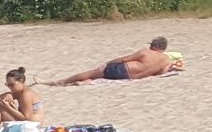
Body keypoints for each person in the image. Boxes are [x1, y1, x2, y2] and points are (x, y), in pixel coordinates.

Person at [47, 37, 182, 85]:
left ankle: (63, 82)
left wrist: (108, 63)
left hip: (124, 70)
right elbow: (161, 73)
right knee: (99, 76)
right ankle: (84, 83)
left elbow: (124, 59)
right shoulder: (166, 60)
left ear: (154, 46)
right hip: (132, 77)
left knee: (94, 72)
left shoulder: (145, 52)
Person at [0, 67, 47, 132]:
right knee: (0, 107)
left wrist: (8, 107)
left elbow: (26, 117)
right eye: (7, 85)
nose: (10, 87)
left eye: (12, 84)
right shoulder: (19, 91)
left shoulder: (26, 94)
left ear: (21, 81)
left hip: (32, 127)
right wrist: (8, 94)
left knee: (0, 109)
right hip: (29, 124)